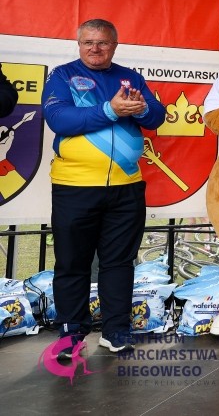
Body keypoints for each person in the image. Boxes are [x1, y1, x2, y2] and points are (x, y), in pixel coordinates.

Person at [42, 19, 166, 355]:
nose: (95, 49)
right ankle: (70, 333)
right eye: (88, 42)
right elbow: (59, 119)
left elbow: (156, 117)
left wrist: (142, 108)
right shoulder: (63, 76)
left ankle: (116, 331)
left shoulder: (130, 77)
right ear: (78, 44)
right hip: (75, 186)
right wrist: (110, 110)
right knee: (72, 262)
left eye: (103, 43)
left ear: (115, 45)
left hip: (126, 187)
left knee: (119, 263)